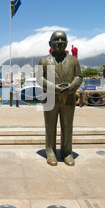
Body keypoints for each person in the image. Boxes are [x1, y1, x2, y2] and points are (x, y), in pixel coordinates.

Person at [38, 31, 83, 166]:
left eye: (62, 39)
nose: (59, 42)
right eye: (56, 39)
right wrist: (53, 87)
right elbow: (39, 79)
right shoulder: (44, 60)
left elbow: (79, 77)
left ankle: (67, 152)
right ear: (50, 43)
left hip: (68, 98)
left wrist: (71, 86)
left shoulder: (73, 61)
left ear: (67, 43)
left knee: (67, 126)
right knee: (50, 126)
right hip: (50, 98)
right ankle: (50, 152)